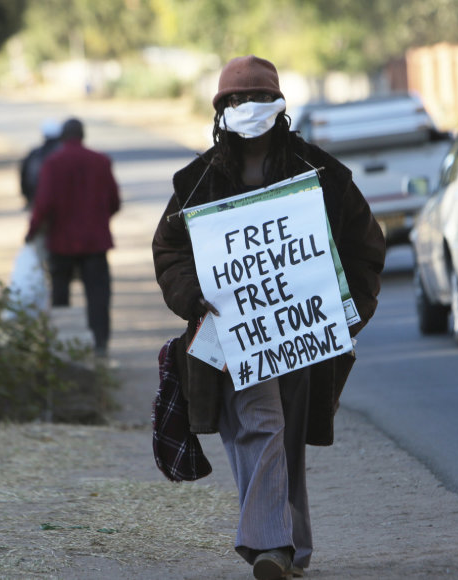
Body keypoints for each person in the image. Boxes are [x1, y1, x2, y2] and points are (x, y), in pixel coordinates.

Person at [152, 55, 385, 580]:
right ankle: (270, 548)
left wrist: (347, 311)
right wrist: (192, 297)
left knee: (281, 436)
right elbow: (169, 253)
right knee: (263, 427)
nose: (247, 108)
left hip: (303, 337)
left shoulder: (322, 174)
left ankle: (292, 551)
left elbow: (364, 245)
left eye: (257, 98)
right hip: (229, 337)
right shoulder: (196, 183)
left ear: (279, 106)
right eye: (235, 100)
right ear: (220, 110)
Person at [26, 118, 121, 356]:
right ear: (83, 135)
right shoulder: (101, 161)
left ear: (62, 137)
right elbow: (114, 202)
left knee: (60, 297)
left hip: (61, 243)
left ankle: (62, 348)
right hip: (95, 242)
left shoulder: (53, 163)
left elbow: (43, 204)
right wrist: (99, 219)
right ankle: (100, 346)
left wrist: (32, 232)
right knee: (98, 297)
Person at [19, 119, 63, 208]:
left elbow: (24, 176)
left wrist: (27, 197)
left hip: (38, 201)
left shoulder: (34, 154)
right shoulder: (63, 154)